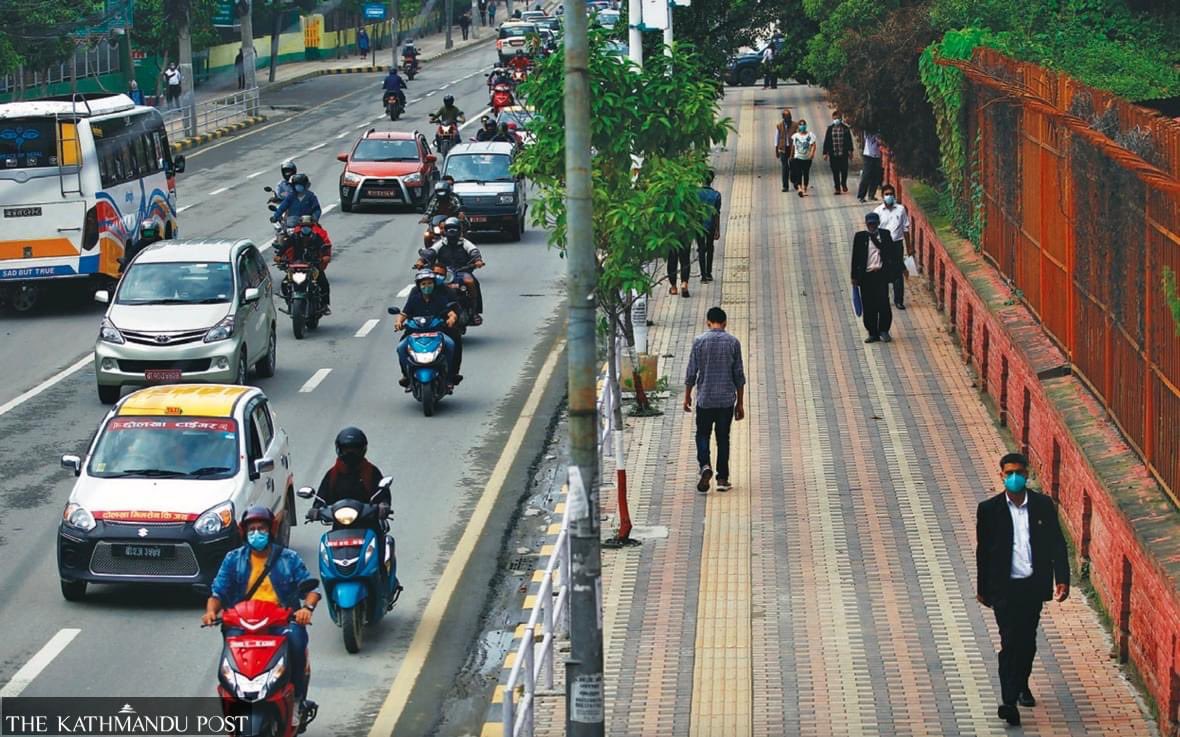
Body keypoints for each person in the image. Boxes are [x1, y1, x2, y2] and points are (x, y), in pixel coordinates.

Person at [203, 506, 320, 727]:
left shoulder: (288, 558)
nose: (257, 533)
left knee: (296, 643)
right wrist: (211, 612)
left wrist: (307, 609)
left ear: (270, 531)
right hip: (242, 623)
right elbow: (218, 592)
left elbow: (311, 590)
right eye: (252, 529)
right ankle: (234, 700)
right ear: (245, 532)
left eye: (262, 529)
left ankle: (296, 701)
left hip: (281, 622)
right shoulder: (233, 559)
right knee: (229, 664)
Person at [976, 452, 1070, 727]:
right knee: (1009, 642)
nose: (1014, 477)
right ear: (1001, 475)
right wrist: (983, 588)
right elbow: (984, 552)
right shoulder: (989, 509)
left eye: (1019, 472)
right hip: (1004, 588)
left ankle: (1022, 685)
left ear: (1027, 474)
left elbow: (1057, 544)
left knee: (1027, 642)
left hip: (1031, 585)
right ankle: (1008, 701)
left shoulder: (1042, 506)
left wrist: (1062, 578)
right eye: (1009, 473)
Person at [312, 427, 394, 582]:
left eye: (355, 449)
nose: (351, 453)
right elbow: (321, 497)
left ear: (363, 449)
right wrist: (315, 509)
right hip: (341, 527)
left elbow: (383, 495)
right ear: (339, 450)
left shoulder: (371, 472)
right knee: (329, 563)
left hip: (368, 524)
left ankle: (383, 583)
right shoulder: (333, 474)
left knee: (379, 557)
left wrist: (383, 506)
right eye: (347, 449)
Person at [683, 306, 746, 493]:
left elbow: (691, 372)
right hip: (726, 400)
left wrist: (687, 395)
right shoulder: (733, 343)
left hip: (705, 398)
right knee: (723, 438)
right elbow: (739, 375)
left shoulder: (699, 342)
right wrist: (740, 403)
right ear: (725, 323)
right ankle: (722, 478)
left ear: (708, 323)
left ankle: (704, 466)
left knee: (702, 434)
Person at [396, 269, 462, 388]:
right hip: (415, 331)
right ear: (419, 286)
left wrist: (451, 319)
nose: (427, 286)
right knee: (401, 347)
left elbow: (451, 312)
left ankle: (450, 375)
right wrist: (398, 322)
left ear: (434, 284)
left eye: (429, 283)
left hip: (437, 330)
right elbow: (404, 314)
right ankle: (406, 375)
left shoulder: (440, 298)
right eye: (424, 284)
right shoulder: (414, 299)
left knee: (451, 344)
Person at [421, 217, 485, 322]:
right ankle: (424, 311)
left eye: (454, 228)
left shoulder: (465, 243)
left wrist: (478, 260)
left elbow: (474, 251)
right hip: (443, 273)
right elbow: (430, 252)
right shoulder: (441, 243)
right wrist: (421, 261)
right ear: (445, 230)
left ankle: (474, 312)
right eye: (449, 228)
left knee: (471, 282)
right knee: (426, 284)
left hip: (462, 272)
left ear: (459, 230)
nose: (452, 231)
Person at [850, 211, 901, 343]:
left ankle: (884, 330)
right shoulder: (860, 237)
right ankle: (872, 332)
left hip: (880, 275)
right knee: (868, 305)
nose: (872, 226)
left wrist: (896, 271)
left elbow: (891, 253)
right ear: (866, 224)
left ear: (878, 223)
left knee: (883, 303)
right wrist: (854, 277)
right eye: (869, 224)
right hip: (866, 277)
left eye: (874, 223)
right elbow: (855, 258)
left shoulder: (885, 235)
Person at [277, 215, 332, 313]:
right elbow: (285, 246)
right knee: (284, 284)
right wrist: (279, 256)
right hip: (296, 267)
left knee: (324, 283)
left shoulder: (317, 237)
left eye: (309, 226)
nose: (306, 229)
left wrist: (324, 258)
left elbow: (325, 249)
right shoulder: (295, 236)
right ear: (300, 226)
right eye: (303, 226)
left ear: (312, 227)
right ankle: (290, 301)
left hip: (312, 266)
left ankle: (324, 305)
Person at [873, 183, 912, 310]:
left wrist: (909, 246)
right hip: (883, 245)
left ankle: (899, 300)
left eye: (891, 194)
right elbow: (874, 231)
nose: (889, 196)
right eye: (886, 194)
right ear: (882, 196)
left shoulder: (900, 210)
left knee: (898, 272)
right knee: (883, 272)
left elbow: (905, 228)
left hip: (896, 244)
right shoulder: (878, 212)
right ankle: (883, 299)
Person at [697, 170, 722, 283]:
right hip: (711, 224)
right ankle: (709, 273)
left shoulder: (696, 193)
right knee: (710, 247)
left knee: (701, 249)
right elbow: (717, 213)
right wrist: (717, 229)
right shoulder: (716, 195)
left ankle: (703, 276)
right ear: (712, 180)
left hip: (699, 225)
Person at [822, 110, 853, 195]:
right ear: (832, 119)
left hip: (843, 154)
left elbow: (849, 141)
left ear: (841, 119)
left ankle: (843, 183)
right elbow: (827, 141)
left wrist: (850, 151)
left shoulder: (845, 129)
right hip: (833, 154)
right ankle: (837, 188)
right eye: (835, 118)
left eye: (838, 118)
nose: (836, 120)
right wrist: (825, 153)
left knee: (844, 170)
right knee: (835, 171)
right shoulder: (830, 129)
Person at [790, 119, 816, 197]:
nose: (802, 126)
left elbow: (813, 145)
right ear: (798, 126)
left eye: (803, 124)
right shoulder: (795, 136)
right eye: (801, 125)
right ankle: (799, 188)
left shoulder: (810, 135)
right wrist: (791, 156)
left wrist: (812, 153)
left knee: (806, 173)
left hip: (807, 158)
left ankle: (805, 187)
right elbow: (793, 146)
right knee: (798, 173)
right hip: (797, 157)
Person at [857, 130, 882, 202]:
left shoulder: (879, 131)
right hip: (868, 155)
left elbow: (880, 141)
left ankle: (871, 194)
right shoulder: (867, 132)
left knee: (876, 176)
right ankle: (861, 196)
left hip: (877, 156)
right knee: (866, 176)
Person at [773, 108, 794, 193]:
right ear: (783, 118)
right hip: (783, 149)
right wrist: (776, 150)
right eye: (787, 117)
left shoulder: (795, 125)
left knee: (793, 166)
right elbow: (776, 138)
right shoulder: (779, 126)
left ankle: (795, 181)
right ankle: (785, 186)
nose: (789, 118)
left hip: (792, 148)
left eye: (790, 116)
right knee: (785, 167)